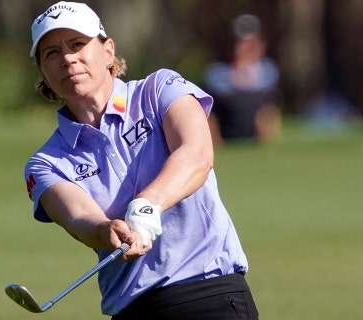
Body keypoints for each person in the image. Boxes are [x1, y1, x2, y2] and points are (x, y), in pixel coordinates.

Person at [23, 2, 259, 319]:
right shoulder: (46, 163)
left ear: (108, 51)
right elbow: (79, 218)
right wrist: (106, 230)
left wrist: (148, 203)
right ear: (42, 71)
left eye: (78, 44)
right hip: (133, 308)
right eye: (51, 53)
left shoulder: (160, 90)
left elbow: (197, 155)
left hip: (210, 293)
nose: (68, 58)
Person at [204, 14, 281, 146]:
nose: (247, 48)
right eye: (242, 43)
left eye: (252, 43)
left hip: (256, 139)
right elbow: (211, 114)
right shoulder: (217, 74)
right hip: (227, 137)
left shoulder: (268, 71)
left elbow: (270, 110)